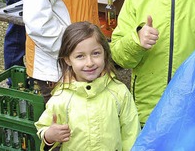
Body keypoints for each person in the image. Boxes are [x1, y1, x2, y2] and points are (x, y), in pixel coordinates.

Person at [35, 21, 140, 150]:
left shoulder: (119, 92)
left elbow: (131, 134)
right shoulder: (61, 97)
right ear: (67, 59)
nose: (89, 63)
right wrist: (49, 136)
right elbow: (44, 128)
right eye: (80, 56)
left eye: (96, 53)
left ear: (105, 54)